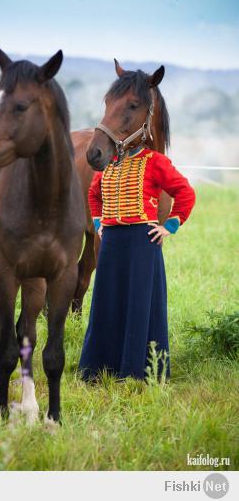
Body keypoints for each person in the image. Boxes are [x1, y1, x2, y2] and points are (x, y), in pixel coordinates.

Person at [78, 145, 196, 382]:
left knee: (140, 303)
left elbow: (185, 192)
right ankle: (99, 368)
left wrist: (170, 226)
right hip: (111, 241)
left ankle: (138, 371)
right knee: (107, 301)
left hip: (143, 240)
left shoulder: (155, 161)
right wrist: (100, 223)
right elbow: (94, 194)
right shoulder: (108, 161)